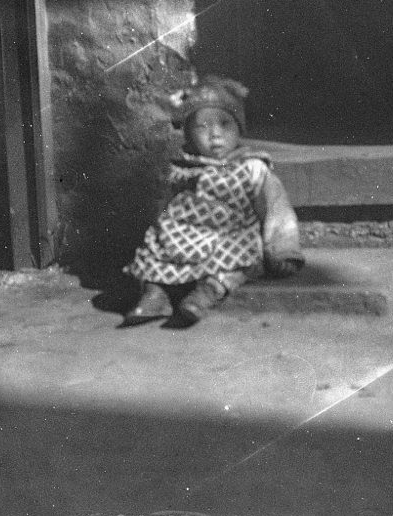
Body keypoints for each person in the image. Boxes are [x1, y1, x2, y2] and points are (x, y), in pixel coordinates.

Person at [121, 76, 304, 329]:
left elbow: (276, 207)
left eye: (225, 124)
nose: (215, 134)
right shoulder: (184, 169)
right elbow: (165, 206)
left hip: (230, 236)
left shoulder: (252, 167)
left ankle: (208, 293)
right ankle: (156, 295)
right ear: (189, 133)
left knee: (240, 260)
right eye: (202, 127)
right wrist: (161, 229)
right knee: (155, 251)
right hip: (185, 235)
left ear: (240, 129)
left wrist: (283, 249)